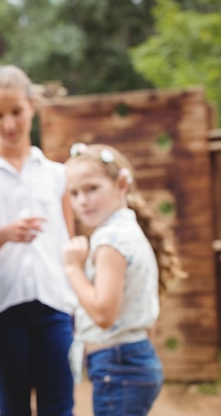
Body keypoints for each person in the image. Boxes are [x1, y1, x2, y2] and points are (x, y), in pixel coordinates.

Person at [0, 65, 77, 416]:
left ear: (32, 106)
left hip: (56, 308)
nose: (9, 124)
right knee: (13, 408)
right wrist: (2, 236)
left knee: (59, 406)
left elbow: (69, 245)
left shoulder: (57, 175)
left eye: (16, 112)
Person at [63, 142, 185, 416]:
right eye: (74, 193)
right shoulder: (129, 230)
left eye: (92, 189)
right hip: (134, 361)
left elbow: (104, 314)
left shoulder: (109, 241)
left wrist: (73, 269)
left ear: (121, 185)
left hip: (118, 367)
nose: (82, 200)